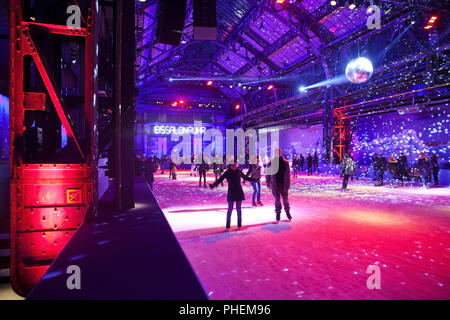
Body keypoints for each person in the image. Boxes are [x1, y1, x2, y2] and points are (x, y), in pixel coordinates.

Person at [210, 160, 256, 230]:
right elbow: (220, 179)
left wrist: (254, 179)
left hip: (238, 191)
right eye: (233, 165)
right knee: (230, 209)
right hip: (231, 192)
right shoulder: (227, 172)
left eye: (235, 165)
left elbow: (245, 178)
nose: (234, 167)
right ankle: (228, 226)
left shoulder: (238, 171)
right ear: (230, 165)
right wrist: (213, 185)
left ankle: (239, 225)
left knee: (238, 209)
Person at [268, 148, 292, 222]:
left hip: (283, 184)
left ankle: (287, 212)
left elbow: (288, 175)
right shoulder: (271, 162)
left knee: (285, 199)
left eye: (279, 152)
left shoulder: (285, 162)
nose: (277, 153)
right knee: (277, 200)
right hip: (275, 184)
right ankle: (278, 213)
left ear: (281, 153)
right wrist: (268, 183)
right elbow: (268, 174)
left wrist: (288, 183)